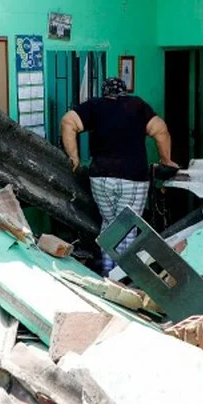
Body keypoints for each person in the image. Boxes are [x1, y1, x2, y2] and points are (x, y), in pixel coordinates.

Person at [61, 77, 176, 274]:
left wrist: (74, 157)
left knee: (109, 223)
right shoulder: (137, 106)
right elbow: (161, 131)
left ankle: (108, 269)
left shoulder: (95, 106)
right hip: (133, 178)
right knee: (128, 226)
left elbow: (68, 122)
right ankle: (122, 275)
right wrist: (166, 160)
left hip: (101, 177)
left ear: (104, 91)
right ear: (124, 91)